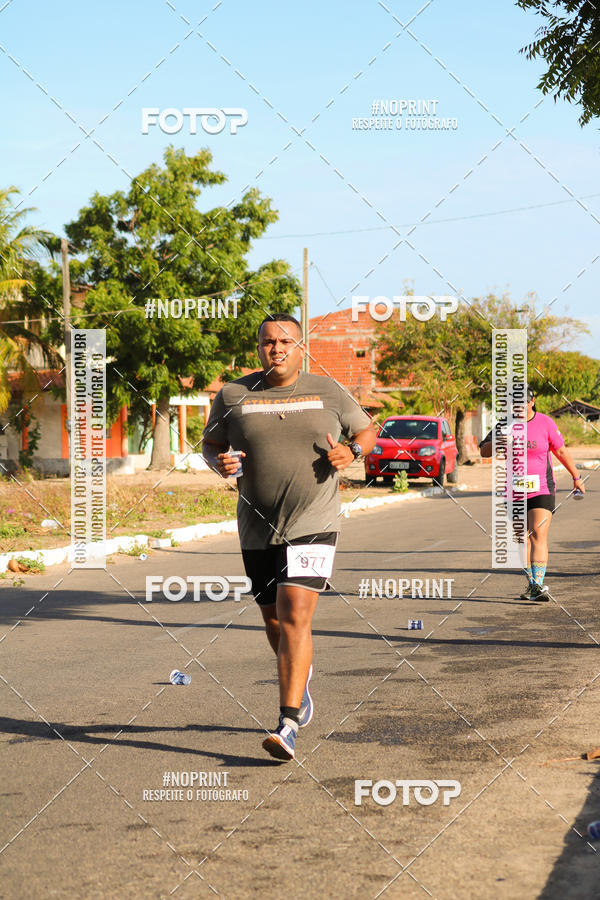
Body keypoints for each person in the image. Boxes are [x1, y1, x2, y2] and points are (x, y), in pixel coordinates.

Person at [202, 313, 377, 760]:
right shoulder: (233, 394)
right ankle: (301, 676)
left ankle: (288, 721)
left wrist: (351, 451)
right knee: (274, 621)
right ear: (258, 347)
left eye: (285, 341)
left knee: (295, 612)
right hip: (256, 524)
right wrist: (218, 464)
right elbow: (210, 444)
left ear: (302, 347)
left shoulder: (328, 390)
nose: (276, 348)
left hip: (314, 521)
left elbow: (368, 429)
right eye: (267, 342)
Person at [480, 386, 585, 600]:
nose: (520, 407)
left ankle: (538, 584)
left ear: (532, 401)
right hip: (514, 492)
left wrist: (576, 477)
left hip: (542, 488)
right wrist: (500, 441)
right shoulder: (504, 425)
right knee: (522, 540)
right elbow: (484, 451)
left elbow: (561, 451)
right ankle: (531, 585)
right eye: (515, 404)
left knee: (538, 534)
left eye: (524, 402)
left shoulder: (545, 422)